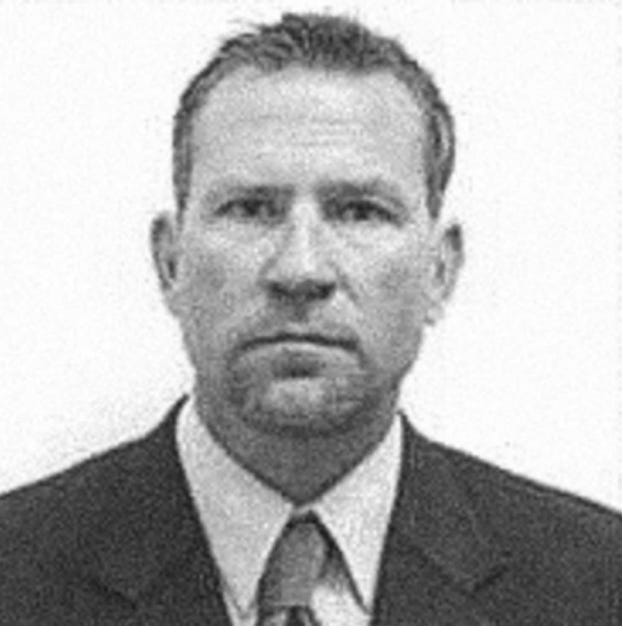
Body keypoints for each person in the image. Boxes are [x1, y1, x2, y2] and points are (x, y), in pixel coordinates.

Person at [0, 12, 619, 626]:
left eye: (359, 211)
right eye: (250, 209)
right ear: (169, 264)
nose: (300, 269)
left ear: (440, 270)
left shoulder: (598, 584)